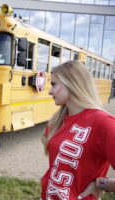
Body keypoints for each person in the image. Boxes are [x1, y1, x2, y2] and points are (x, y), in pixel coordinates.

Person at [40, 60, 115, 199]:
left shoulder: (104, 123)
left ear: (72, 83)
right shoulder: (60, 119)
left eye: (54, 84)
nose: (50, 91)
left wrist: (102, 184)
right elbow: (46, 139)